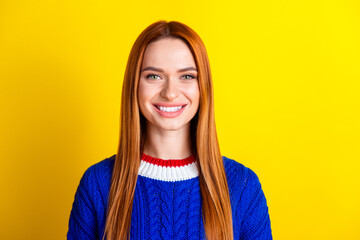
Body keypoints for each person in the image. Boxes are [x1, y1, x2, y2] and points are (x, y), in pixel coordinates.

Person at [67, 20, 272, 240]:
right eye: (154, 76)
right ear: (134, 85)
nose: (170, 92)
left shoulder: (242, 187)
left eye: (187, 76)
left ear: (203, 87)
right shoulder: (97, 183)